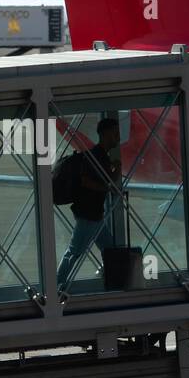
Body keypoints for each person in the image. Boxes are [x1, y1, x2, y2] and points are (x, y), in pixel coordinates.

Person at [55, 116, 122, 287]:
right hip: (88, 214)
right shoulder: (96, 156)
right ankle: (56, 285)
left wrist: (116, 171)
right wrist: (106, 187)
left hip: (95, 215)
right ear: (106, 134)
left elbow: (107, 182)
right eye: (115, 134)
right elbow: (87, 182)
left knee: (110, 250)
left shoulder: (102, 157)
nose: (118, 137)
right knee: (74, 252)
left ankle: (114, 280)